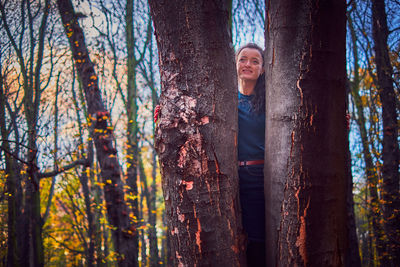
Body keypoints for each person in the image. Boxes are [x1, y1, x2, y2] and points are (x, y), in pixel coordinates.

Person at [236, 43, 266, 267]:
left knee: (258, 244)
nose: (248, 64)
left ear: (263, 69)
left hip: (260, 178)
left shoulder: (271, 103)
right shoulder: (224, 101)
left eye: (255, 61)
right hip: (229, 177)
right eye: (243, 59)